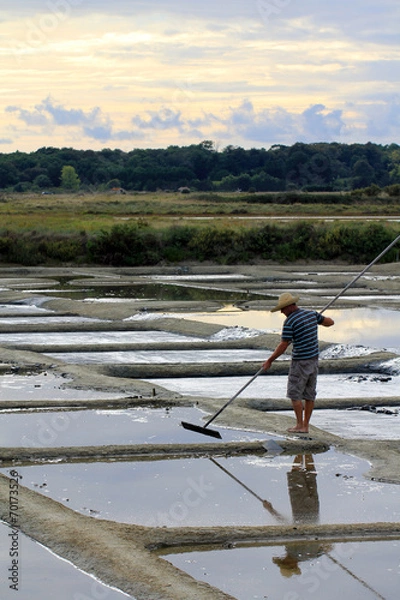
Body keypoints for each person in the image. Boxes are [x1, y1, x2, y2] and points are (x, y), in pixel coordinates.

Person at [263, 292, 334, 433]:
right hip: (313, 360)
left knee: (294, 394)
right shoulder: (311, 314)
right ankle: (305, 426)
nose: (282, 312)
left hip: (300, 361)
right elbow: (330, 322)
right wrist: (319, 319)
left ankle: (300, 425)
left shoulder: (290, 321)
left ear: (290, 306)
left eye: (283, 309)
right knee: (309, 394)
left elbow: (283, 345)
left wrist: (269, 360)